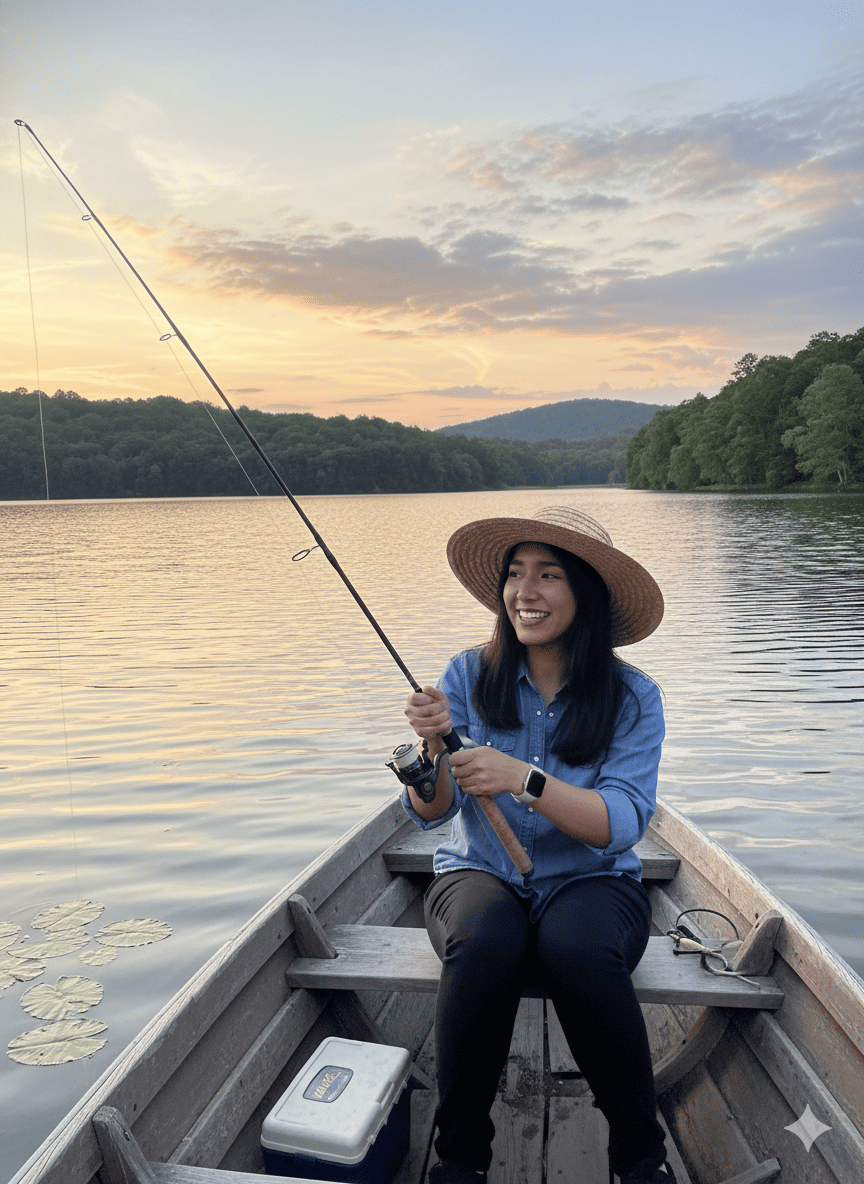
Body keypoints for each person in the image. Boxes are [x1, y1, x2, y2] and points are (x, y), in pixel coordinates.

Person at [400, 506, 676, 1184]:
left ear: (587, 594)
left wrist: (522, 778)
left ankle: (641, 1161)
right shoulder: (468, 674)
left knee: (577, 948)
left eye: (549, 575)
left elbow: (621, 822)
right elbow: (435, 811)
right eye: (515, 574)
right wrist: (431, 751)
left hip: (593, 880)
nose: (525, 592)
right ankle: (459, 1161)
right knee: (483, 938)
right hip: (479, 871)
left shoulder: (633, 696)